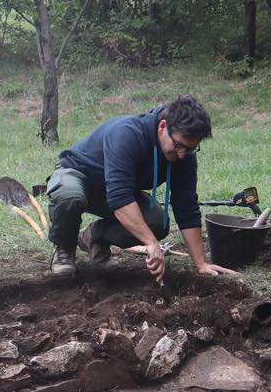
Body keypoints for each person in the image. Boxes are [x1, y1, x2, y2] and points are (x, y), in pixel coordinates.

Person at [45, 95, 229, 283]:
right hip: (79, 174)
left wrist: (201, 264)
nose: (182, 154)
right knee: (69, 197)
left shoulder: (184, 156)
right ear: (163, 126)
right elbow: (119, 197)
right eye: (179, 145)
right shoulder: (127, 134)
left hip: (113, 190)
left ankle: (93, 236)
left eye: (190, 149)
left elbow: (186, 206)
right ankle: (64, 247)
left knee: (157, 222)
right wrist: (150, 243)